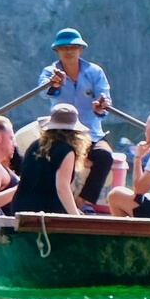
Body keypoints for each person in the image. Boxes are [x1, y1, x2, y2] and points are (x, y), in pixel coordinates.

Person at [38, 28, 115, 204]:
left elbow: (104, 98)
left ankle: (81, 202)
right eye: (64, 48)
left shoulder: (95, 72)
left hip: (91, 134)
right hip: (60, 134)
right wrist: (54, 84)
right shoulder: (50, 72)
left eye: (73, 47)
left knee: (105, 156)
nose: (69, 51)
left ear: (81, 49)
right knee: (49, 156)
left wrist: (100, 106)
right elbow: (44, 91)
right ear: (57, 51)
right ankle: (50, 201)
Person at [8, 104, 92, 216]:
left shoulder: (35, 145)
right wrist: (76, 216)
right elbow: (62, 188)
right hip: (45, 210)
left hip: (19, 207)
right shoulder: (66, 150)